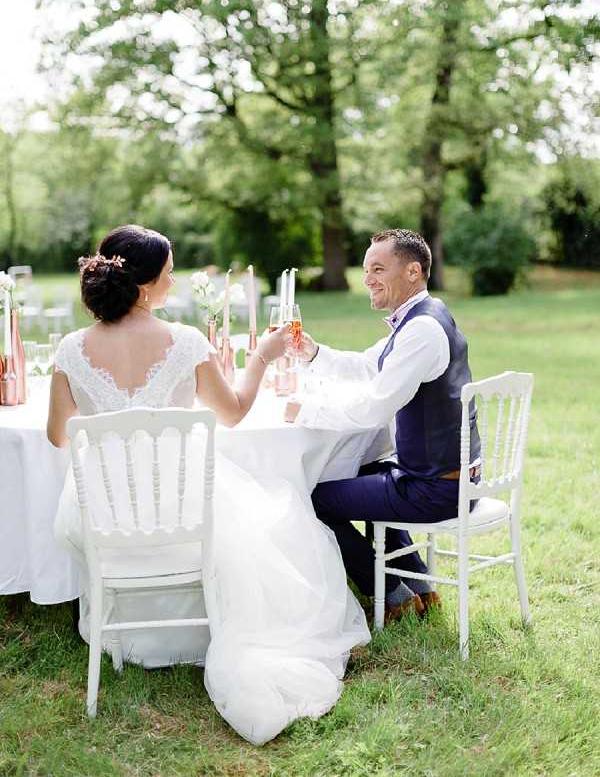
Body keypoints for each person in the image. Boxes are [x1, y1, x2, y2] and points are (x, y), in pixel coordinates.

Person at [48, 224, 370, 745]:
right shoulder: (186, 342)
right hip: (184, 513)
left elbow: (59, 436)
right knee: (284, 513)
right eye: (170, 274)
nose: (173, 283)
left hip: (105, 518)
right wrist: (262, 357)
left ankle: (138, 637)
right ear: (146, 286)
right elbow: (235, 414)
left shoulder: (69, 349)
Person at [285, 228, 480, 621]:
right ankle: (419, 584)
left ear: (412, 272)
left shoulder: (421, 331)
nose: (368, 279)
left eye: (378, 269)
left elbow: (375, 409)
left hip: (437, 489)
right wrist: (313, 352)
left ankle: (390, 593)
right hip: (447, 476)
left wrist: (305, 412)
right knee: (365, 468)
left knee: (312, 498)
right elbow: (365, 365)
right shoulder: (425, 315)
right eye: (365, 270)